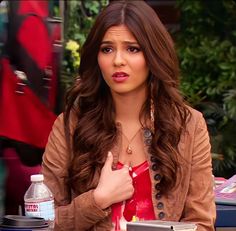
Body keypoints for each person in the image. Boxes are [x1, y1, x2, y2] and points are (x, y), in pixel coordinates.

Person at [42, 1, 216, 230]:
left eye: (132, 48)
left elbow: (201, 223)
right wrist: (97, 201)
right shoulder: (70, 125)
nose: (117, 60)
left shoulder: (189, 125)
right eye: (107, 49)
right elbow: (44, 223)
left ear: (153, 54)